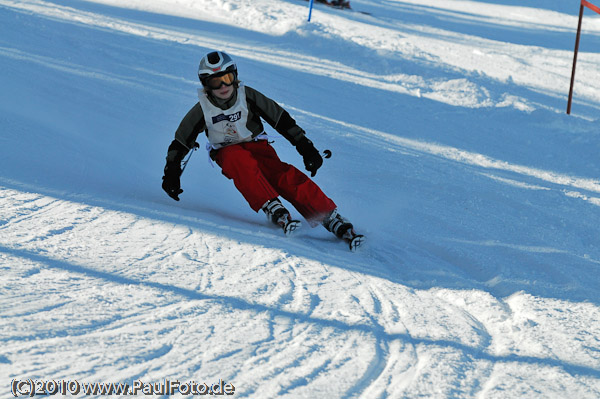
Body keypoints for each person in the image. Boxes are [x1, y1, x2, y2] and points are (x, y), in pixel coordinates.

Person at [161, 51, 363, 249]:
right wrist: (172, 172)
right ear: (206, 84)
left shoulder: (246, 96)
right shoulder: (202, 109)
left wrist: (305, 147)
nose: (223, 86)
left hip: (258, 146)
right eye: (216, 82)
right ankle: (272, 205)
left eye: (227, 78)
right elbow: (181, 141)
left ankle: (327, 214)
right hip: (227, 152)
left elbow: (280, 119)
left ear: (235, 76)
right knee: (237, 159)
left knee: (283, 175)